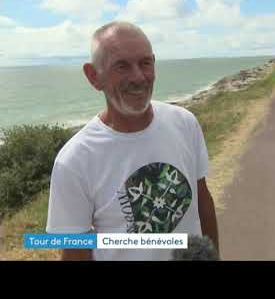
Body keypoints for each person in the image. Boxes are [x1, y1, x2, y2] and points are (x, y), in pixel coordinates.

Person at [46, 21, 219, 261]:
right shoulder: (74, 160)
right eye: (122, 66)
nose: (139, 77)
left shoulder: (185, 123)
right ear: (94, 76)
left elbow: (203, 201)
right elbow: (75, 250)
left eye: (145, 63)